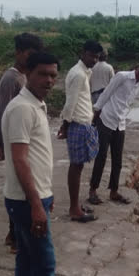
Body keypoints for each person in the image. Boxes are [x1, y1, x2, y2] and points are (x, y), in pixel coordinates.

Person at [2, 51, 85, 276]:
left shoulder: (35, 105)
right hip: (27, 201)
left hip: (32, 199)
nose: (49, 80)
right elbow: (20, 160)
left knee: (27, 264)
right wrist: (37, 205)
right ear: (27, 72)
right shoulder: (22, 108)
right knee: (45, 265)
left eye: (53, 75)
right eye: (42, 74)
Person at [88, 58, 139, 206]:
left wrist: (122, 119)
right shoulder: (122, 76)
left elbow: (126, 105)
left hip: (120, 124)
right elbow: (106, 94)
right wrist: (95, 115)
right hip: (106, 119)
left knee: (117, 160)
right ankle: (93, 191)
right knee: (101, 157)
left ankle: (113, 191)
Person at [0, 33, 43, 252]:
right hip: (14, 141)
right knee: (18, 187)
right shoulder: (11, 78)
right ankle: (14, 236)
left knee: (25, 186)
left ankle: (13, 234)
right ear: (19, 53)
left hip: (25, 141)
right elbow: (3, 112)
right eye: (30, 54)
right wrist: (2, 145)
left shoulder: (26, 77)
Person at [57, 40, 103, 223]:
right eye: (92, 56)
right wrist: (65, 125)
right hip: (77, 123)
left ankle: (75, 205)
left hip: (83, 123)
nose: (94, 60)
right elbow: (71, 102)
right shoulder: (77, 74)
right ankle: (74, 209)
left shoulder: (85, 72)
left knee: (79, 165)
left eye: (97, 57)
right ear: (83, 53)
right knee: (76, 166)